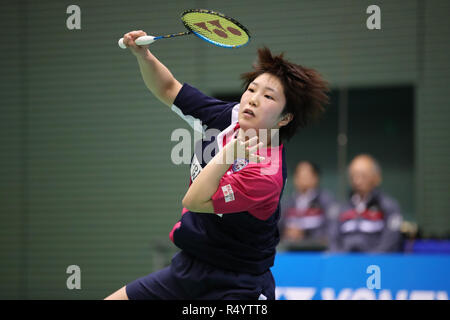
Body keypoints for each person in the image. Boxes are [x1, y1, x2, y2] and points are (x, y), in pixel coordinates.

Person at [105, 30, 328, 300]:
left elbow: (195, 200)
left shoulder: (266, 174)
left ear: (284, 118)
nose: (253, 99)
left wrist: (227, 154)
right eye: (251, 89)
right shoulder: (228, 117)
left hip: (238, 285)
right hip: (189, 268)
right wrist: (143, 55)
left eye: (269, 97)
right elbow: (168, 89)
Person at [329, 154, 403, 253]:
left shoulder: (389, 206)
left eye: (363, 175)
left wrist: (370, 263)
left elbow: (390, 241)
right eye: (353, 176)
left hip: (377, 265)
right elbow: (333, 240)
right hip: (345, 264)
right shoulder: (339, 208)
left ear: (376, 178)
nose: (357, 180)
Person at [279, 161, 337, 250]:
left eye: (306, 175)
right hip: (290, 253)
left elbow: (332, 231)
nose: (303, 179)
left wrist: (305, 233)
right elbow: (276, 228)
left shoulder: (326, 200)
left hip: (317, 253)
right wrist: (286, 233)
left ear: (315, 178)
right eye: (299, 175)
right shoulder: (286, 203)